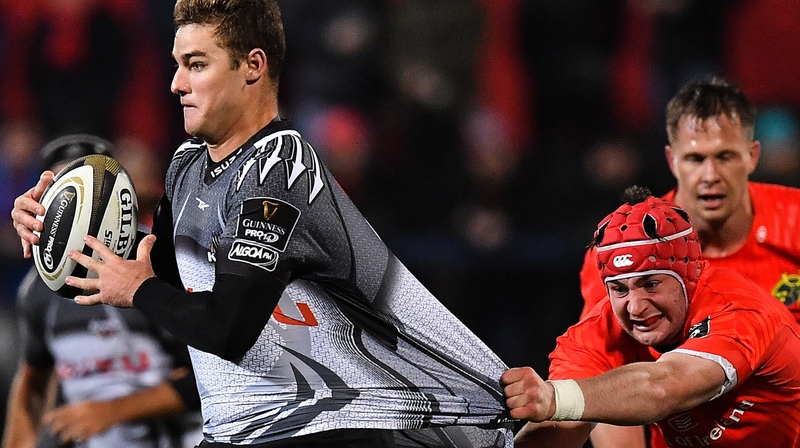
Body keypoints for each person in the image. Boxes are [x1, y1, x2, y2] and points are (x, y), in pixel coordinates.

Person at [10, 1, 513, 447]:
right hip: (243, 428)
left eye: (196, 65)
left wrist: (138, 289)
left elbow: (229, 327)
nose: (176, 83)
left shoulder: (281, 167)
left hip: (335, 423)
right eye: (176, 65)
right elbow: (156, 272)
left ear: (253, 66)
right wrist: (58, 231)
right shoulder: (187, 165)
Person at [578, 77, 800, 448]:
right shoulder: (623, 252)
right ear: (671, 160)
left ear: (752, 156)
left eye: (725, 156)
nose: (710, 176)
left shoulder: (795, 224)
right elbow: (606, 372)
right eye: (696, 158)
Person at [502, 185, 800, 447]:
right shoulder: (593, 337)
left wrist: (554, 398)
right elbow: (560, 428)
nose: (635, 307)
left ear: (689, 276)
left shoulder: (739, 309)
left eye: (651, 284)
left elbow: (662, 387)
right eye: (619, 290)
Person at [3, 134, 202, 448]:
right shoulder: (37, 291)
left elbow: (209, 379)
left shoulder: (154, 262)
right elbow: (32, 387)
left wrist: (110, 412)